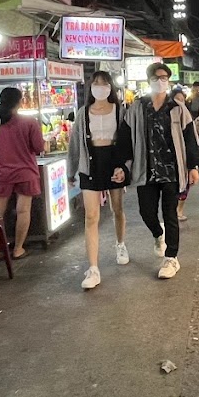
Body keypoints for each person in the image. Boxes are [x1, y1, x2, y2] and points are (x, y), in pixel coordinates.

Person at [125, 62, 199, 279]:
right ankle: (158, 235)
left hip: (172, 170)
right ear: (149, 81)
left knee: (170, 213)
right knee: (146, 212)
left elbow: (189, 138)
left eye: (164, 78)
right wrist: (124, 165)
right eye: (156, 78)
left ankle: (172, 258)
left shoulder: (177, 107)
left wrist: (192, 166)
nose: (160, 82)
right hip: (146, 169)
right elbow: (125, 137)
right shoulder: (137, 108)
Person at [69, 71, 133, 290]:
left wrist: (124, 167)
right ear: (90, 88)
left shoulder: (121, 111)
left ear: (110, 88)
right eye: (96, 84)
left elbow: (127, 142)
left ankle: (120, 244)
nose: (100, 87)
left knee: (117, 209)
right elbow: (75, 145)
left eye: (105, 84)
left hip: (113, 163)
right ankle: (93, 268)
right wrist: (71, 172)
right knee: (91, 216)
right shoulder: (82, 113)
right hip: (90, 165)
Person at [0, 87, 45, 261]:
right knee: (23, 211)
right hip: (26, 172)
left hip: (3, 174)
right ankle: (18, 249)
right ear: (19, 101)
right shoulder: (30, 122)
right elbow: (39, 147)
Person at [173, 90, 191, 221]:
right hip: (172, 157)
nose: (179, 101)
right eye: (177, 99)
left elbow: (191, 139)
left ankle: (179, 210)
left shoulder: (185, 113)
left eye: (182, 99)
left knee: (185, 186)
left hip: (185, 156)